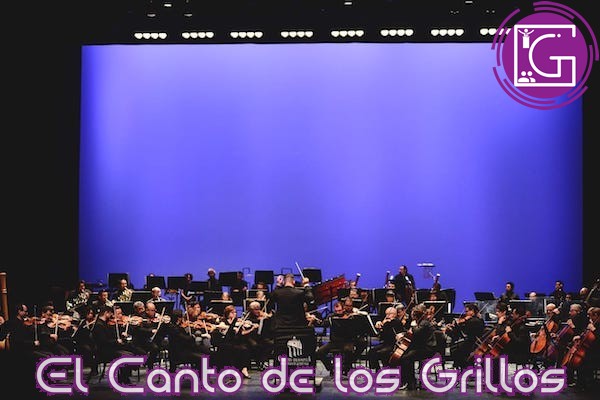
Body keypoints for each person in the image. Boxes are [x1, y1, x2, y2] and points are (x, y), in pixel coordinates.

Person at [392, 303, 437, 390]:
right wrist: (403, 334)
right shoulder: (420, 322)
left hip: (427, 348)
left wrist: (413, 325)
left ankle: (410, 382)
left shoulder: (424, 323)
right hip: (420, 347)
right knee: (404, 356)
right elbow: (413, 334)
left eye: (413, 314)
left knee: (406, 358)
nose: (411, 315)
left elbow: (416, 332)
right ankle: (409, 381)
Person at [443, 303, 485, 370]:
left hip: (473, 342)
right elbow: (461, 331)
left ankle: (463, 366)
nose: (465, 313)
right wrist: (453, 327)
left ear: (472, 311)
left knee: (455, 349)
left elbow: (466, 330)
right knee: (454, 346)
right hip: (469, 341)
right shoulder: (472, 320)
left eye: (467, 311)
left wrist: (461, 322)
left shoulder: (476, 320)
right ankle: (460, 366)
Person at [368, 306, 406, 371]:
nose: (387, 316)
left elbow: (396, 330)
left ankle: (386, 369)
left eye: (389, 314)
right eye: (386, 314)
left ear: (395, 314)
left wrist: (387, 323)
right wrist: (380, 327)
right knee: (371, 351)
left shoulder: (397, 322)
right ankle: (377, 369)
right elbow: (381, 336)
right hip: (385, 343)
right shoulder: (386, 322)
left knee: (380, 353)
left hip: (393, 344)